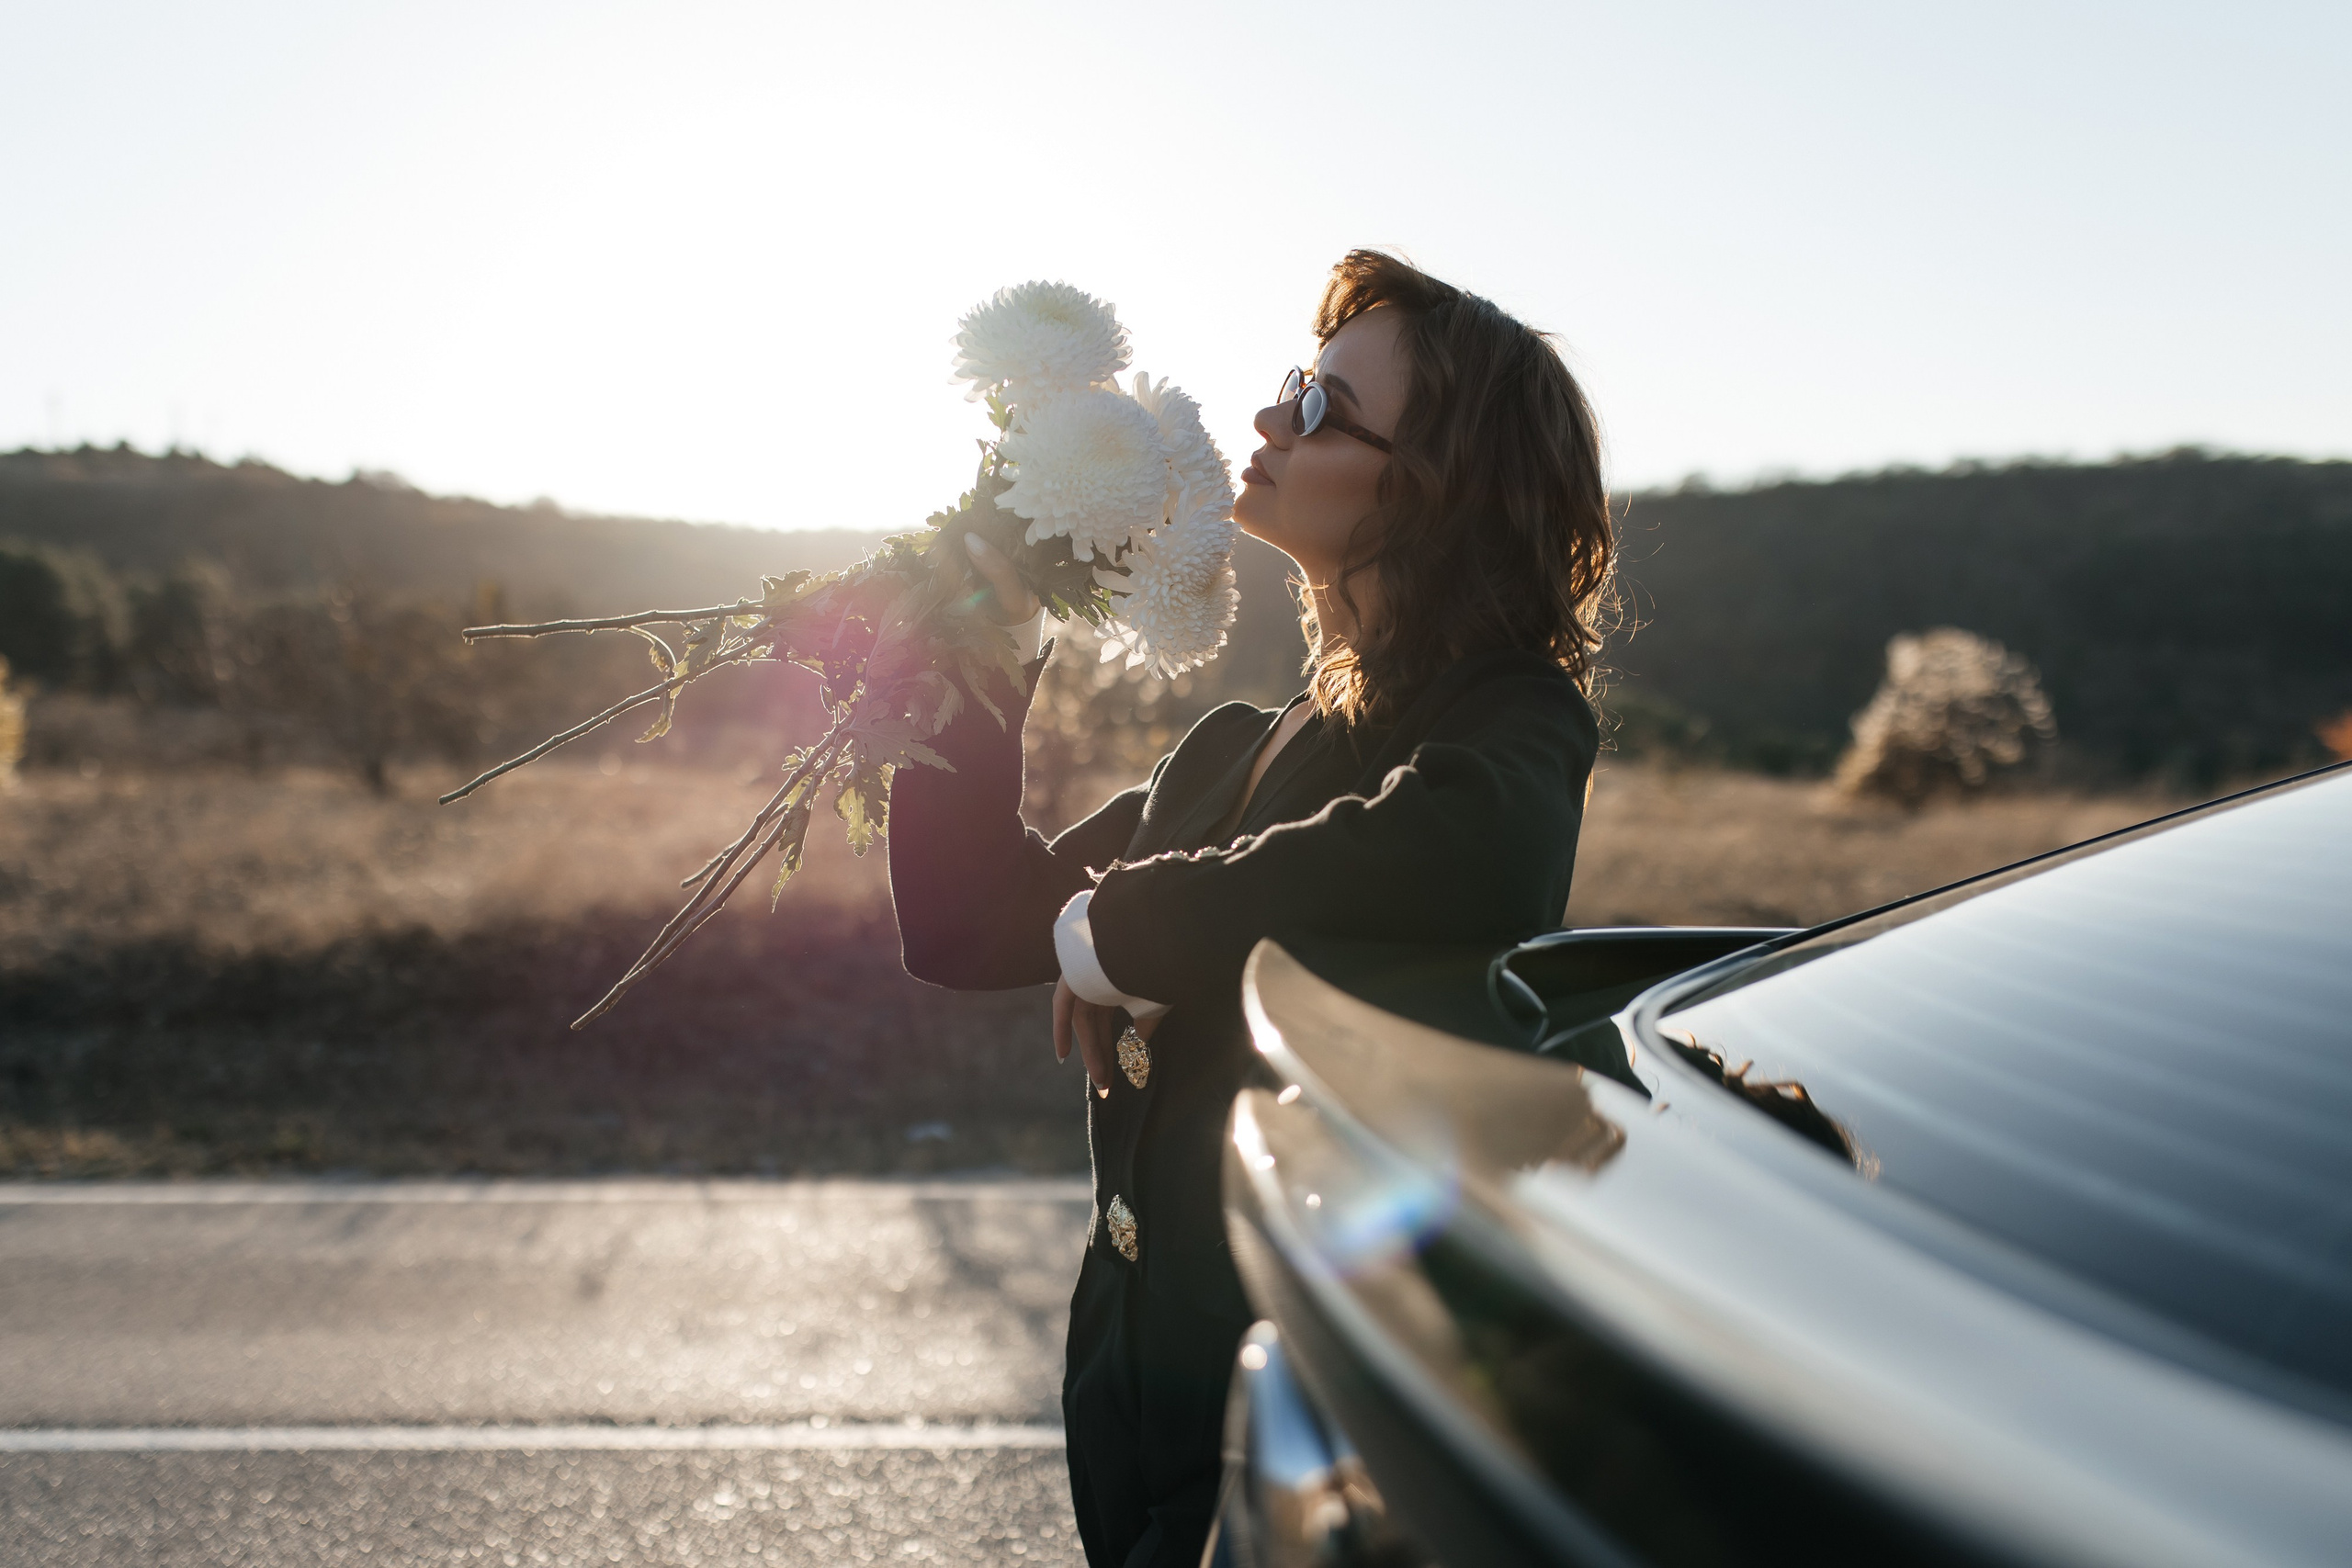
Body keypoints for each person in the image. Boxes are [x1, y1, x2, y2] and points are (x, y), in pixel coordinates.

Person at [888, 250, 1615, 1568]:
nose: (1273, 419)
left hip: (1313, 1412)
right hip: (1127, 1381)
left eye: (1327, 406)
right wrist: (961, 640)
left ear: (1438, 492)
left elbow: (1474, 846)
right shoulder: (1228, 748)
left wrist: (1119, 930)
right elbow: (969, 923)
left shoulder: (1503, 718)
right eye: (1296, 384)